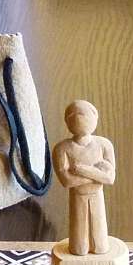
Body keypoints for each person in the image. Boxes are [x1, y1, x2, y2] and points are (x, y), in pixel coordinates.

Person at [53, 100, 115, 256]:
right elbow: (67, 181)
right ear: (66, 122)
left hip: (97, 196)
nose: (77, 118)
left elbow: (110, 178)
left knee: (100, 245)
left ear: (95, 118)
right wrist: (97, 174)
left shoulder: (104, 145)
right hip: (77, 198)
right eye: (71, 115)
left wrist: (84, 170)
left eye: (82, 114)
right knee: (79, 247)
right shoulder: (62, 148)